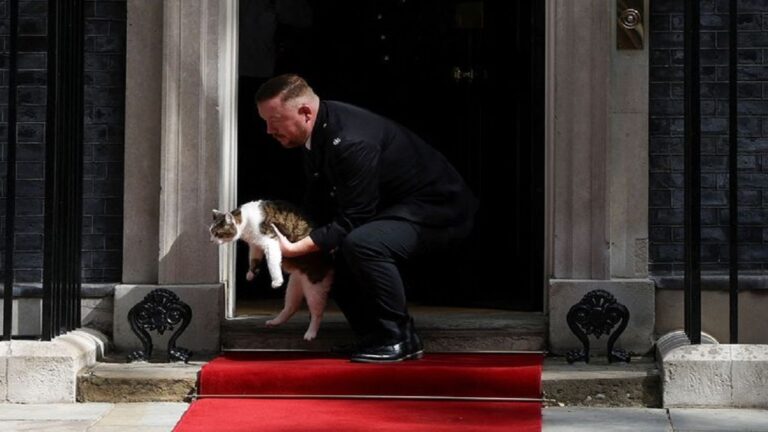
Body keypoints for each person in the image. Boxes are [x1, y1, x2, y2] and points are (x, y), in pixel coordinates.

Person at [255, 74, 477, 363]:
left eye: (274, 119)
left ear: (305, 113)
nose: (268, 130)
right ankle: (373, 336)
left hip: (440, 213)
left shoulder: (350, 140)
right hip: (394, 212)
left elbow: (356, 217)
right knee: (328, 248)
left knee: (362, 243)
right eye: (264, 121)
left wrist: (299, 247)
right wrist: (294, 237)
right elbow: (319, 201)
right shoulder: (317, 133)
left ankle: (401, 337)